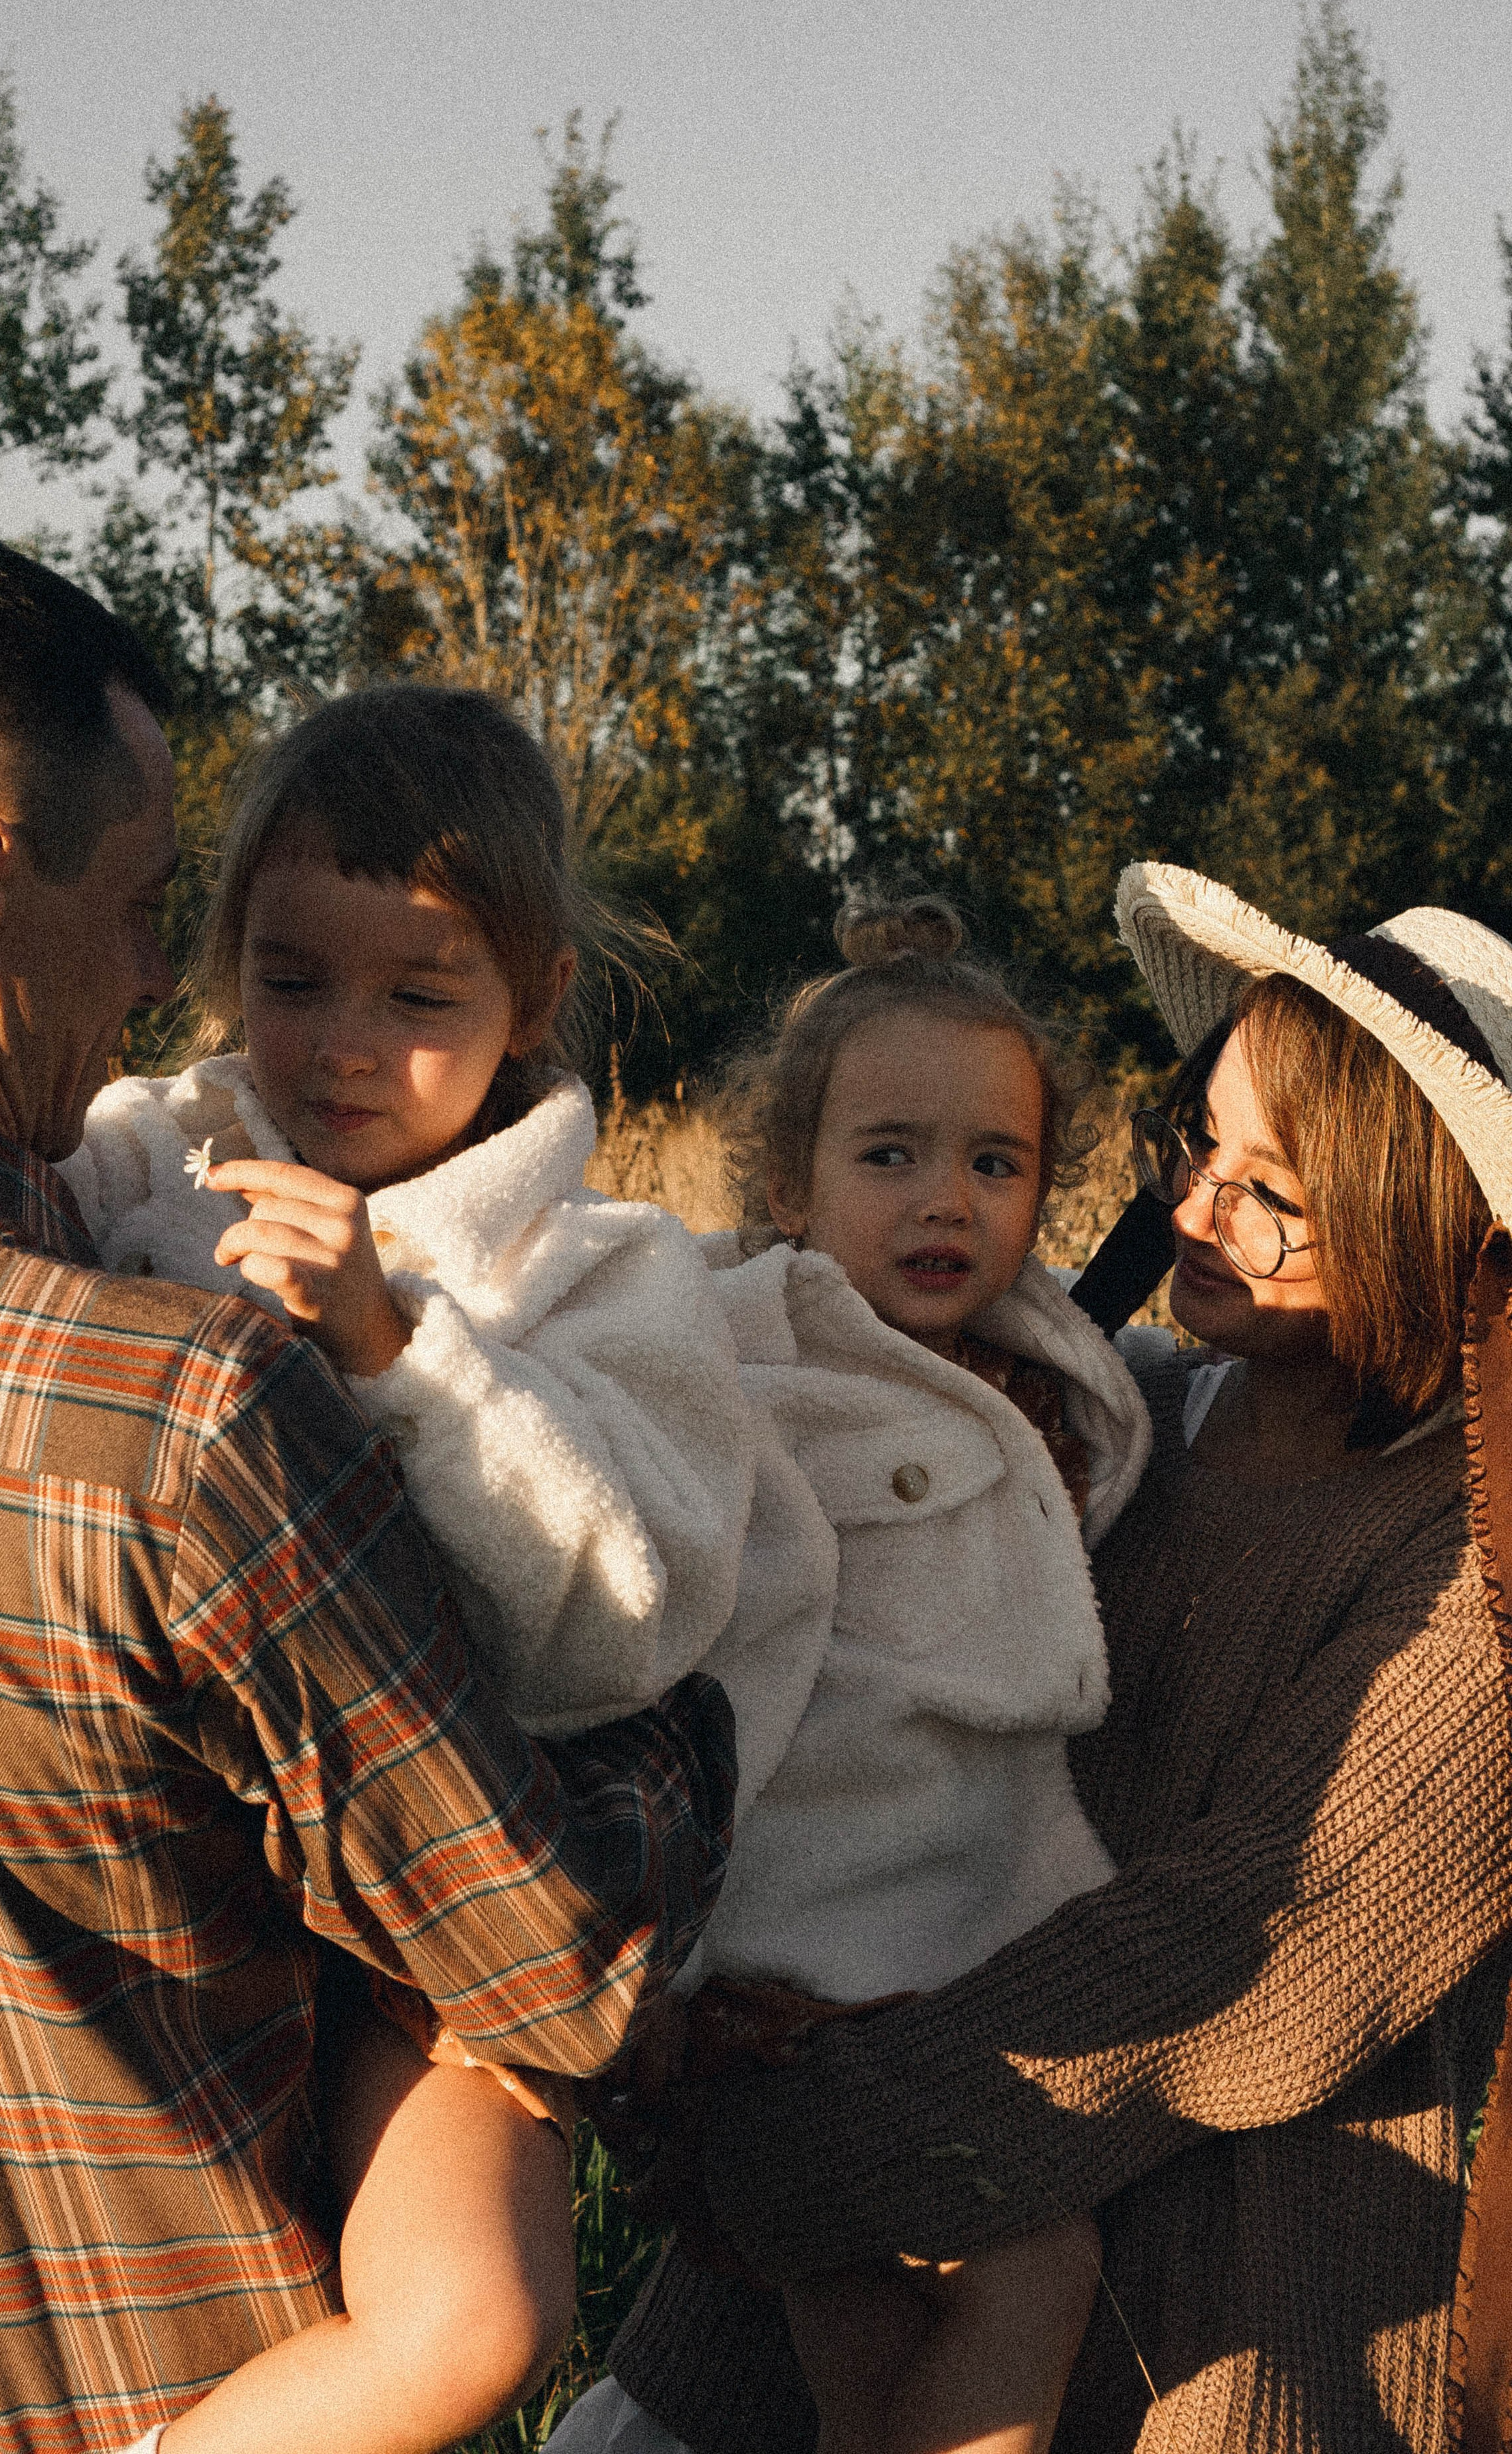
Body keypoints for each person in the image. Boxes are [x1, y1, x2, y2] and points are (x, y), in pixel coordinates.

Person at [0, 517, 736, 2454]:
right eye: (142, 908)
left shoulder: (73, 1245)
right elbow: (549, 1962)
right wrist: (703, 1743)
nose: (156, 977)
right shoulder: (172, 1413)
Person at [555, 861, 1512, 2454]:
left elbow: (1258, 1954)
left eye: (1272, 1190)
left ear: (1419, 1221)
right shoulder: (1098, 1414)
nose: (1196, 1209)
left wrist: (799, 2148)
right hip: (839, 2266)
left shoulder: (1470, 1568)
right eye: (1195, 1140)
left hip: (1212, 2340)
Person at [44, 685, 831, 2454]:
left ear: (534, 1003)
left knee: (483, 2312)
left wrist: (406, 1356)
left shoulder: (601, 1269)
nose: (339, 1048)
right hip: (166, 1865)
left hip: (432, 1911)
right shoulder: (140, 1161)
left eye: (420, 998)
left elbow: (629, 1612)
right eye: (294, 976)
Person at [577, 891, 1150, 2454]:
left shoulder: (1045, 1366)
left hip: (945, 1956)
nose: (940, 1200)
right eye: (886, 1155)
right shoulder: (746, 1367)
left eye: (994, 1162)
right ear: (785, 1181)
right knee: (1029, 2276)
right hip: (792, 1975)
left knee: (870, 2346)